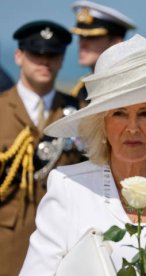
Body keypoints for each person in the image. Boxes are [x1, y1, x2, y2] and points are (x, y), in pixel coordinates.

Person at [20, 34, 146, 275]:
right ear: (101, 124)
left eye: (145, 113)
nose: (133, 128)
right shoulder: (69, 187)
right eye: (119, 114)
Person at [0, 20, 84, 276]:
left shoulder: (77, 112)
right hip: (7, 243)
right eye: (36, 53)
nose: (44, 61)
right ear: (19, 56)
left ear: (61, 60)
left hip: (63, 244)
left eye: (52, 55)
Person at [70, 0, 136, 101]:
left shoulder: (131, 86)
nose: (81, 43)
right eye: (80, 36)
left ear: (116, 42)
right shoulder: (82, 89)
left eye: (91, 37)